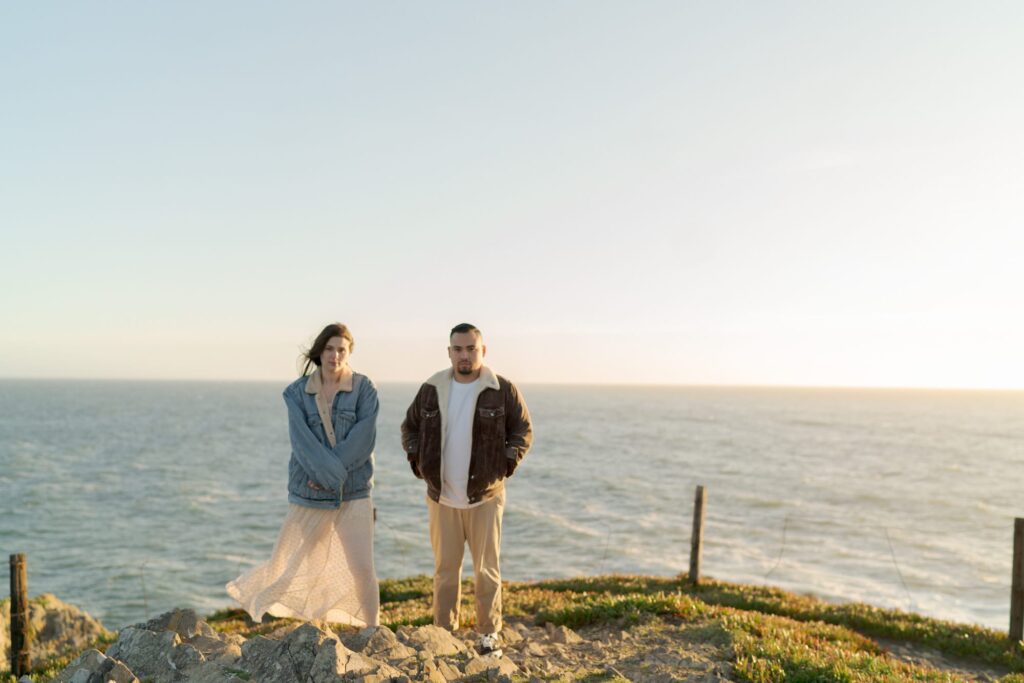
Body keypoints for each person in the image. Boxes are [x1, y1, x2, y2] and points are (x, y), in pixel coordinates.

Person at [227, 323, 380, 627]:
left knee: (362, 566)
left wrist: (327, 475)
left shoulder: (365, 389)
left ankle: (372, 629)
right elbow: (302, 442)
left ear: (349, 353)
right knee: (311, 569)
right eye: (329, 348)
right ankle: (317, 628)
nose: (335, 355)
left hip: (354, 491)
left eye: (342, 349)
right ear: (319, 351)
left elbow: (363, 440)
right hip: (309, 493)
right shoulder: (296, 393)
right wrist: (322, 477)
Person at [400, 323, 533, 657]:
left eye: (471, 348)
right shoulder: (431, 388)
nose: (464, 355)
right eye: (458, 349)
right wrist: (419, 464)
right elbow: (410, 427)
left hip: (485, 498)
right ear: (449, 352)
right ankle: (443, 635)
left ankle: (489, 635)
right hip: (441, 496)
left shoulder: (501, 389)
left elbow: (522, 430)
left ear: (483, 351)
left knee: (487, 571)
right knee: (445, 571)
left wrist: (504, 465)